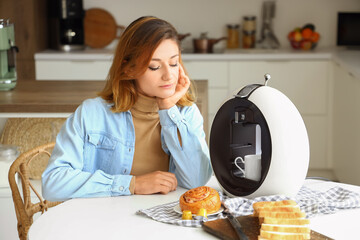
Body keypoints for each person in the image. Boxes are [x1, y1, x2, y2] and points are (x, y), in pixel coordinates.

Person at [42, 16, 213, 201]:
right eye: (154, 67)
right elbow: (53, 184)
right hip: (103, 223)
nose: (169, 75)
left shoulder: (186, 114)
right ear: (128, 69)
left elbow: (197, 182)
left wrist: (168, 108)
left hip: (165, 223)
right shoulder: (92, 114)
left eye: (173, 63)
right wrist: (132, 184)